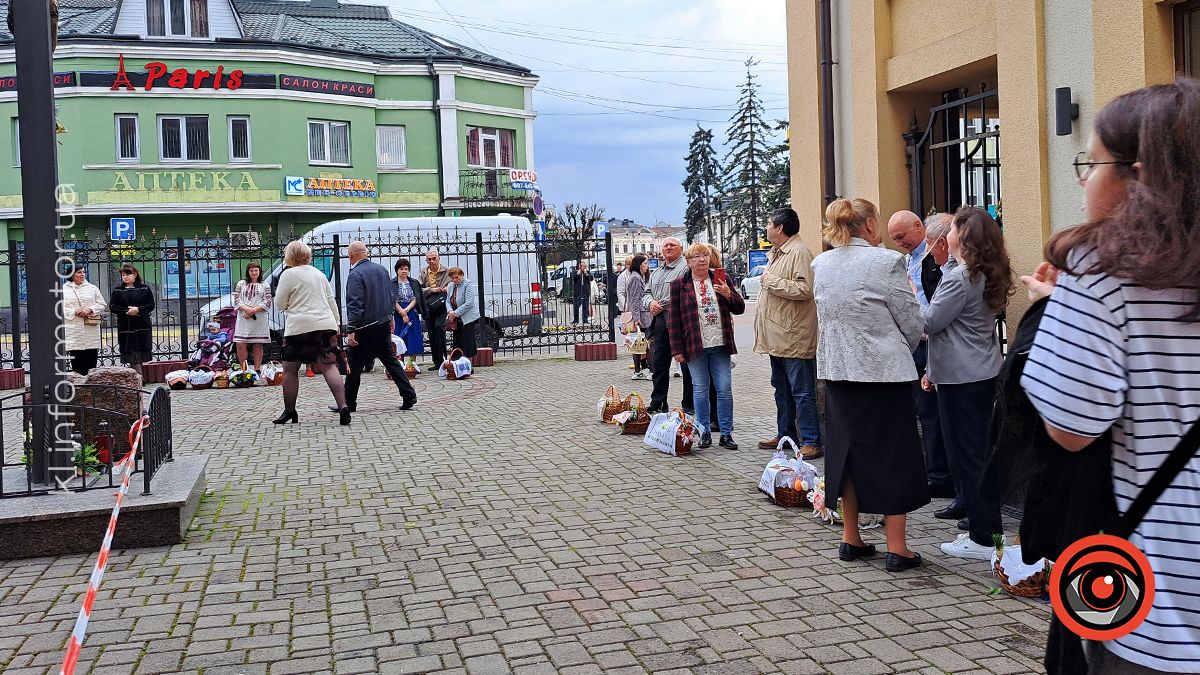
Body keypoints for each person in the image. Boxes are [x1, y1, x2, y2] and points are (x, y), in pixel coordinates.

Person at [1020, 80, 1200, 673]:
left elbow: (1071, 426)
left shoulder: (1103, 271)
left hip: (1164, 597)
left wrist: (1059, 312)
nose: (1082, 179)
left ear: (1137, 175)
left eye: (1090, 163)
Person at [812, 197, 928, 573]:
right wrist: (901, 348)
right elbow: (911, 320)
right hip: (884, 372)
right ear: (870, 225)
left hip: (838, 370)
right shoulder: (886, 261)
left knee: (845, 452)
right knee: (893, 453)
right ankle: (897, 548)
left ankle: (851, 538)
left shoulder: (821, 263)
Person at [922, 208, 1012, 560]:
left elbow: (931, 322)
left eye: (954, 227)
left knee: (969, 457)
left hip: (961, 376)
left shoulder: (961, 277)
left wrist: (909, 294)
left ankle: (983, 537)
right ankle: (986, 530)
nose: (949, 232)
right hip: (979, 371)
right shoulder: (984, 273)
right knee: (976, 455)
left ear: (964, 236)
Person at [889, 210, 956, 503]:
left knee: (941, 414)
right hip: (916, 342)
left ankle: (943, 477)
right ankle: (936, 473)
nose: (899, 243)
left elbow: (935, 304)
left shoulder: (938, 257)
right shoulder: (907, 260)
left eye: (901, 237)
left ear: (918, 227)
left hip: (935, 339)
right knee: (926, 413)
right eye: (894, 239)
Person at [754, 207, 822, 459]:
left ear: (780, 228)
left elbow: (806, 289)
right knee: (782, 390)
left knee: (802, 392)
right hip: (778, 338)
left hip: (794, 337)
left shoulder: (799, 252)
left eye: (769, 223)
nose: (766, 227)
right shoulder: (778, 252)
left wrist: (770, 281)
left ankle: (812, 440)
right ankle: (786, 436)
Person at [669, 243, 745, 449]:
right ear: (688, 261)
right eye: (696, 256)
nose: (702, 259)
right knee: (700, 390)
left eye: (705, 255)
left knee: (724, 388)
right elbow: (674, 320)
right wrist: (676, 350)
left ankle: (726, 434)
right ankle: (703, 432)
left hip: (721, 344)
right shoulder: (678, 284)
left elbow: (739, 308)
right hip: (694, 345)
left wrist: (729, 294)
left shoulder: (721, 278)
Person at [272, 240, 349, 425]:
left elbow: (280, 303)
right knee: (329, 366)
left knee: (290, 370)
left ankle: (290, 411)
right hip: (325, 323)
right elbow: (331, 299)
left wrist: (291, 304)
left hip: (299, 326)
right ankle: (343, 406)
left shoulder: (288, 274)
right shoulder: (319, 273)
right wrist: (337, 323)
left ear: (289, 256)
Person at [340, 242, 417, 413]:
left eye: (348, 255)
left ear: (351, 255)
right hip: (382, 324)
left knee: (354, 366)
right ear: (366, 254)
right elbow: (390, 296)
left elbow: (355, 304)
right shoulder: (381, 269)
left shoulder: (355, 274)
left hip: (364, 327)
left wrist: (351, 329)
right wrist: (390, 317)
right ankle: (408, 394)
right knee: (391, 361)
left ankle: (348, 403)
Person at [643, 237, 693, 414]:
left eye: (673, 245)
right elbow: (646, 293)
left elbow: (686, 292)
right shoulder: (656, 272)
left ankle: (689, 404)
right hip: (660, 324)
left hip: (680, 323)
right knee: (659, 365)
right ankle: (658, 402)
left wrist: (659, 305)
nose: (669, 247)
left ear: (681, 249)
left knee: (687, 366)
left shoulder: (686, 268)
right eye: (666, 245)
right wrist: (649, 304)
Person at [109, 264, 153, 378]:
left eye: (128, 274)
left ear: (135, 275)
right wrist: (127, 311)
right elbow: (113, 306)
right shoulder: (117, 290)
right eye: (123, 275)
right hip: (126, 326)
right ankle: (139, 378)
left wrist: (138, 310)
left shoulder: (144, 288)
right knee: (132, 354)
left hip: (141, 324)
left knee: (141, 353)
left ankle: (141, 377)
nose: (125, 277)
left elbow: (151, 305)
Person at [63, 265, 107, 375]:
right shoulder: (63, 289)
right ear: (71, 275)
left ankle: (91, 385)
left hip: (90, 328)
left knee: (91, 357)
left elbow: (102, 304)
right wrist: (74, 311)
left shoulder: (92, 288)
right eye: (79, 272)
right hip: (74, 328)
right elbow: (59, 306)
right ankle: (79, 385)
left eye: (83, 272)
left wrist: (90, 309)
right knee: (77, 358)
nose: (82, 274)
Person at [232, 262, 272, 374]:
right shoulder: (241, 283)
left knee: (258, 344)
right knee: (240, 343)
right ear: (248, 272)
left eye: (256, 270)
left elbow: (267, 301)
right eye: (251, 270)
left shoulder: (265, 285)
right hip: (243, 318)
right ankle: (244, 370)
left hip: (258, 318)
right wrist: (246, 309)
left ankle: (257, 369)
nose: (254, 272)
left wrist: (253, 310)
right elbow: (236, 298)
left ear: (259, 272)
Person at [420, 250, 450, 371]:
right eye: (429, 259)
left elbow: (455, 283)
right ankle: (437, 362)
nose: (432, 261)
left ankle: (444, 359)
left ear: (439, 258)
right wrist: (431, 290)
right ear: (426, 260)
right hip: (429, 305)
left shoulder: (447, 271)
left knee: (439, 327)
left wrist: (447, 288)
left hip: (442, 304)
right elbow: (419, 289)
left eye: (434, 258)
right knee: (431, 332)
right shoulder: (423, 272)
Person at [625, 253, 652, 380]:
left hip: (641, 315)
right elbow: (634, 299)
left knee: (638, 344)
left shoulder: (638, 276)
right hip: (641, 316)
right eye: (645, 263)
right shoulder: (635, 278)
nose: (647, 266)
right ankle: (651, 371)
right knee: (646, 345)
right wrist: (636, 318)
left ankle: (638, 371)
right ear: (639, 264)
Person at [393, 259, 425, 364]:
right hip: (398, 312)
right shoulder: (391, 283)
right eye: (401, 269)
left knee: (413, 336)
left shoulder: (414, 282)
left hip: (411, 311)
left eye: (406, 269)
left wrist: (407, 310)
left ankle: (412, 364)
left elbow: (417, 298)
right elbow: (391, 299)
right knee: (400, 336)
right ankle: (400, 363)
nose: (404, 271)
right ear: (397, 270)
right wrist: (401, 312)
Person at [445, 267, 480, 359]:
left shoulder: (467, 284)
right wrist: (450, 311)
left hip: (467, 318)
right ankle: (458, 364)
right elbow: (448, 301)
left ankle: (468, 365)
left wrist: (455, 313)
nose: (454, 280)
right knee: (457, 342)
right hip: (456, 319)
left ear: (462, 275)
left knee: (468, 342)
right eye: (452, 278)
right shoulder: (450, 286)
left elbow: (469, 303)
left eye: (456, 277)